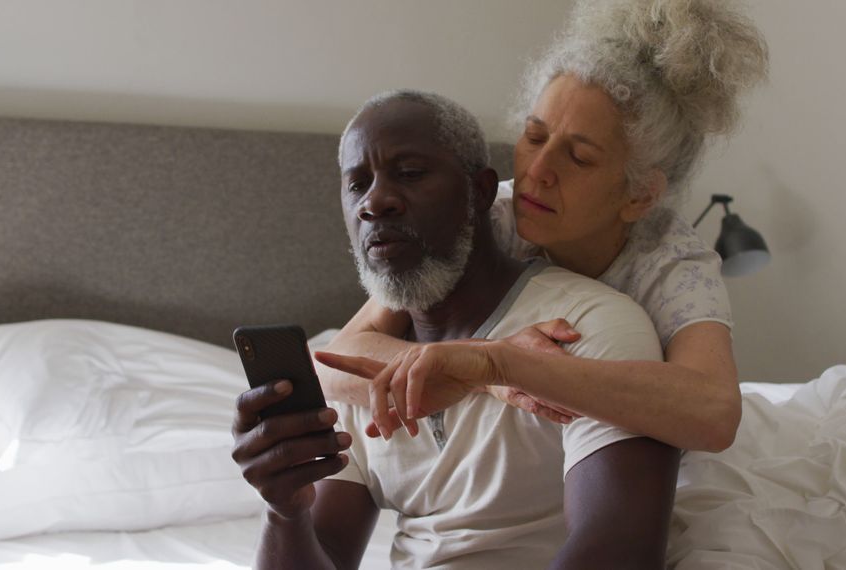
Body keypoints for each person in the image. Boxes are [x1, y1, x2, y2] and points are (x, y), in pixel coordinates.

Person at [231, 91, 679, 568]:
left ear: (481, 192)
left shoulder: (588, 326)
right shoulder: (352, 373)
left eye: (409, 174)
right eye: (356, 185)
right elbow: (329, 556)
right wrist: (285, 512)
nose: (374, 203)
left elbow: (618, 550)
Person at [315, 0, 770, 452]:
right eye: (534, 137)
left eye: (579, 157)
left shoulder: (673, 266)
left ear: (639, 195)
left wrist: (499, 364)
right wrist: (474, 374)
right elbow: (337, 361)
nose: (538, 170)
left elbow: (715, 414)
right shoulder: (494, 214)